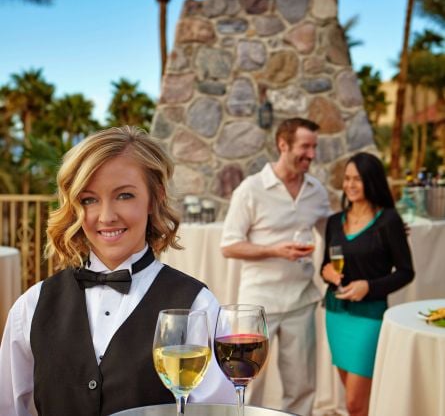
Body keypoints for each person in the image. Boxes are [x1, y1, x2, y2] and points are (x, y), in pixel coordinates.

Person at [0, 126, 234, 416]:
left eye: (124, 195)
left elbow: (219, 412)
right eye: (89, 199)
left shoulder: (199, 307)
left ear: (156, 196)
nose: (107, 216)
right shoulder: (30, 307)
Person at [220, 117, 330, 415]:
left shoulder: (316, 191)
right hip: (258, 305)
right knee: (247, 382)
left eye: (314, 147)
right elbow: (229, 245)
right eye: (305, 146)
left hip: (301, 301)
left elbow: (334, 234)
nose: (311, 154)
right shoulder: (251, 189)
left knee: (302, 387)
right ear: (283, 145)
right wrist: (275, 251)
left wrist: (385, 228)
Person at [320, 152, 415, 416]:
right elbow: (325, 266)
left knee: (354, 403)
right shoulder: (333, 223)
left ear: (372, 182)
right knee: (357, 405)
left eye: (357, 179)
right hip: (336, 314)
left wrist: (368, 287)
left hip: (369, 317)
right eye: (347, 179)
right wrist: (327, 273)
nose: (350, 185)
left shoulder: (388, 221)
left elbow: (406, 272)